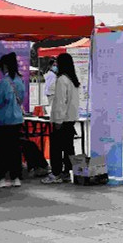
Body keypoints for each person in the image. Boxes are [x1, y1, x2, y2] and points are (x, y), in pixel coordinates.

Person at [42, 53, 81, 184]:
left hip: (62, 120)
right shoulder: (73, 80)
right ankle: (66, 173)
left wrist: (58, 120)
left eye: (57, 63)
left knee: (56, 148)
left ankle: (56, 173)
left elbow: (60, 102)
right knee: (68, 147)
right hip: (71, 118)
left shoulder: (61, 80)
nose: (56, 65)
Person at [0, 53, 26, 188]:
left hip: (2, 121)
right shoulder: (20, 81)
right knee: (15, 150)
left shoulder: (3, 83)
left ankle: (0, 178)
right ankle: (16, 177)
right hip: (16, 120)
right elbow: (21, 99)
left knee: (2, 150)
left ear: (5, 66)